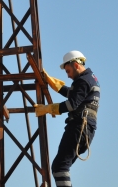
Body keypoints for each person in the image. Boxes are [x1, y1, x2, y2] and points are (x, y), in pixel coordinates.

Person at [34, 50, 100, 187]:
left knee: (60, 166)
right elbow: (75, 95)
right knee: (61, 166)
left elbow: (72, 104)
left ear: (76, 65)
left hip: (79, 127)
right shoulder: (89, 79)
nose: (68, 76)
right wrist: (55, 85)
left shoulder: (83, 81)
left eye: (68, 71)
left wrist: (48, 108)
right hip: (84, 128)